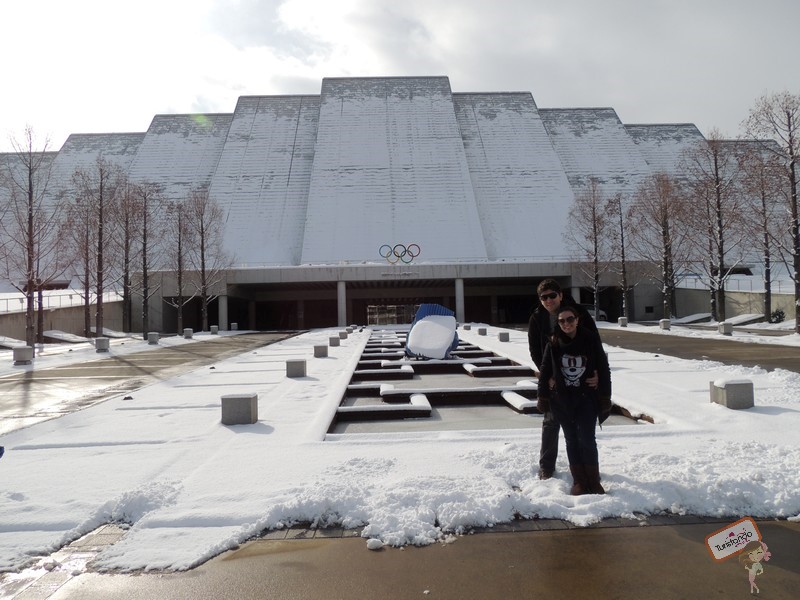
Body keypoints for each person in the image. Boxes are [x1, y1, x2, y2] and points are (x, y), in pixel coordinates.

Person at [536, 305, 611, 495]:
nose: (566, 324)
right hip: (562, 400)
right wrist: (543, 395)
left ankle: (593, 480)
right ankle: (579, 480)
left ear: (577, 320)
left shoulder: (590, 339)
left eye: (570, 319)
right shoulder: (553, 343)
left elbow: (603, 366)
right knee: (571, 440)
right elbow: (545, 370)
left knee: (587, 438)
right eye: (562, 321)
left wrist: (604, 392)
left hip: (586, 398)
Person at [527, 279, 598, 480]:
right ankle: (547, 467)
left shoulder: (579, 313)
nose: (548, 300)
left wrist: (596, 372)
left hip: (580, 377)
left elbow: (594, 344)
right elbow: (535, 351)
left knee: (582, 426)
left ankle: (586, 469)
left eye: (552, 296)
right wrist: (547, 375)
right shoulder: (537, 318)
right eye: (544, 297)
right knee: (551, 422)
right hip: (554, 380)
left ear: (560, 295)